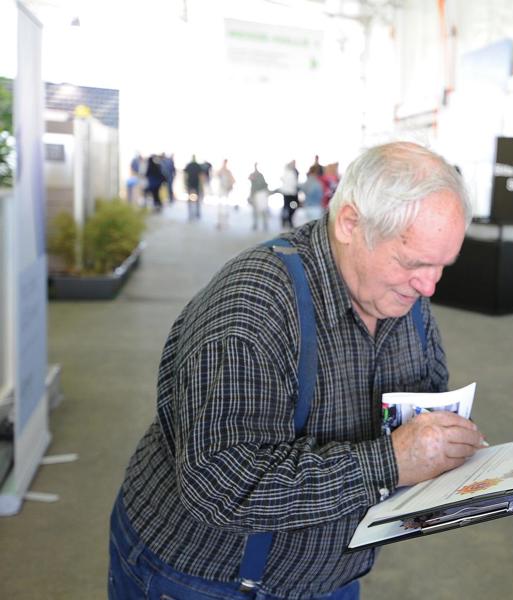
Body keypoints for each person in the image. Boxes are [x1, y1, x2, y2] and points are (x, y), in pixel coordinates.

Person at [109, 141, 483, 599]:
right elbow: (220, 485)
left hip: (330, 577)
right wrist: (389, 461)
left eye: (442, 265)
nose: (428, 286)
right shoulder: (252, 309)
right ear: (350, 223)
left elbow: (423, 400)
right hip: (207, 581)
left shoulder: (408, 300)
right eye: (412, 262)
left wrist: (445, 450)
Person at [214, 159, 236, 230]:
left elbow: (233, 180)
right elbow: (216, 175)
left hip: (226, 192)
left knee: (225, 208)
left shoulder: (228, 172)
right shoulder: (221, 171)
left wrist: (229, 186)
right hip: (221, 191)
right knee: (220, 207)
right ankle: (220, 222)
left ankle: (225, 222)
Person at [248, 163, 271, 232]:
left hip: (261, 194)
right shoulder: (253, 175)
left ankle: (264, 224)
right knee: (255, 211)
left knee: (263, 210)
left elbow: (264, 185)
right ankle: (256, 224)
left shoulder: (260, 175)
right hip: (255, 194)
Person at [183, 154, 205, 221]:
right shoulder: (198, 165)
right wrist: (201, 185)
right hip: (196, 184)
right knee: (197, 199)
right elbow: (201, 176)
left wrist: (185, 184)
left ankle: (191, 213)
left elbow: (185, 175)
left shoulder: (189, 165)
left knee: (190, 199)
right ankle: (197, 213)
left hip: (190, 184)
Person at [280, 159, 300, 229]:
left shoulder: (295, 172)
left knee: (293, 206)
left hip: (293, 193)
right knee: (287, 207)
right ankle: (286, 220)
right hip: (287, 193)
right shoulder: (287, 172)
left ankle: (288, 219)